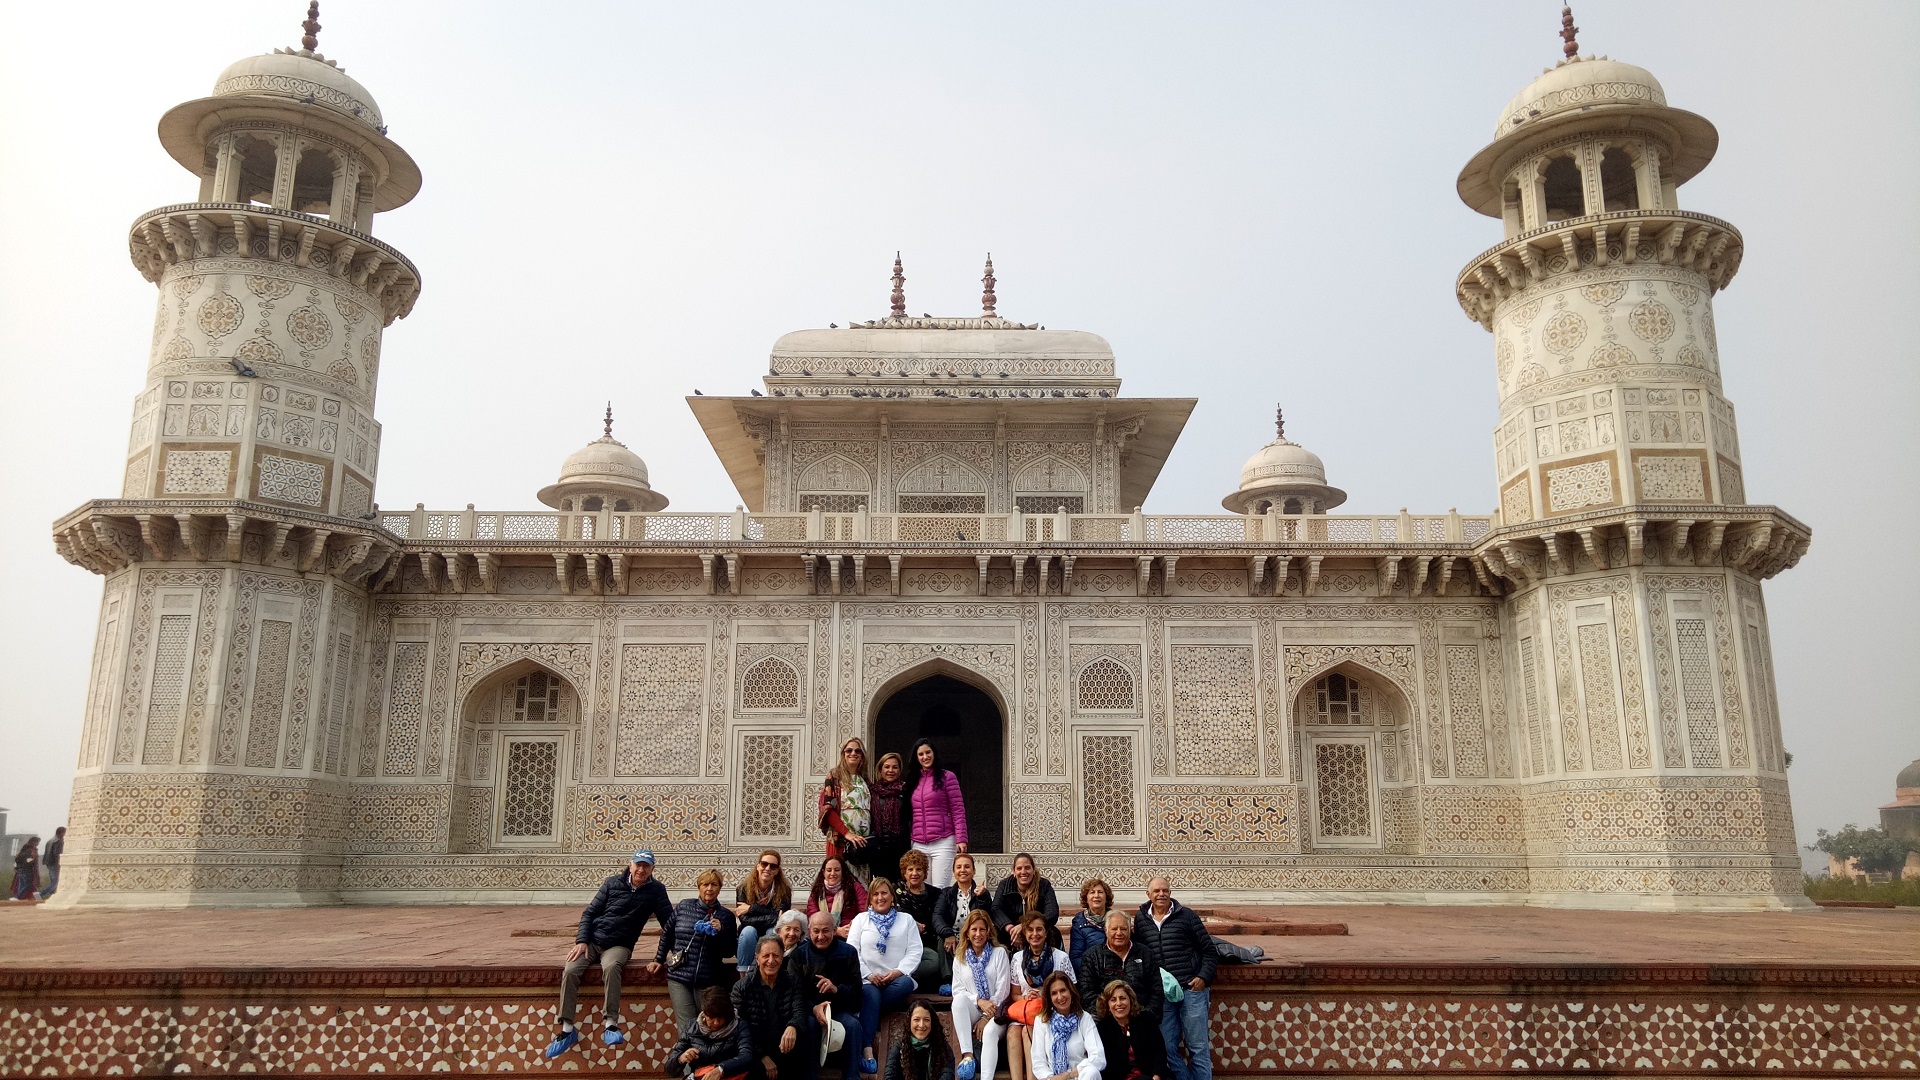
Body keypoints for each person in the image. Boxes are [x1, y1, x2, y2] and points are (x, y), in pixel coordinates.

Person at [546, 849, 675, 1058]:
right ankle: (567, 1028)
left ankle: (611, 1023)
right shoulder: (612, 883)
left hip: (620, 944)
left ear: (653, 869)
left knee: (612, 966)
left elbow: (669, 923)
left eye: (646, 866)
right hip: (593, 941)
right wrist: (581, 941)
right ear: (630, 865)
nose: (641, 869)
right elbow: (590, 913)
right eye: (638, 865)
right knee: (570, 970)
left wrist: (675, 952)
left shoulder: (656, 891)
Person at [1133, 879, 1214, 1080]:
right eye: (1157, 891)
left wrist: (1203, 977)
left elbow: (1209, 951)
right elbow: (1141, 952)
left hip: (1191, 990)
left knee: (1198, 1048)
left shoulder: (1186, 916)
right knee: (1166, 1047)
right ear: (1148, 894)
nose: (1161, 894)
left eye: (1165, 890)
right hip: (1164, 994)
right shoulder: (1141, 919)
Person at [847, 877, 921, 1074]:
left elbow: (915, 950)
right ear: (870, 898)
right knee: (871, 994)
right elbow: (852, 951)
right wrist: (869, 975)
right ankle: (867, 1050)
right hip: (867, 980)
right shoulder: (860, 920)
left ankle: (868, 1010)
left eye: (884, 893)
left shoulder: (906, 920)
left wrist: (897, 972)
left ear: (891, 896)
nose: (880, 897)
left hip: (895, 980)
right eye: (876, 894)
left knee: (905, 984)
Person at [786, 911, 867, 1080]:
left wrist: (837, 989)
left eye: (826, 931)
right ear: (809, 931)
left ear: (834, 930)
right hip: (810, 1012)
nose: (821, 936)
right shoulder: (798, 956)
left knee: (853, 1025)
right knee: (810, 1025)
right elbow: (794, 995)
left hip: (839, 1010)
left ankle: (852, 1076)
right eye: (816, 931)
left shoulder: (849, 952)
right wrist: (814, 1008)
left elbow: (857, 992)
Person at [663, 869, 741, 1034]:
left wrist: (720, 932)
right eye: (705, 884)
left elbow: (729, 951)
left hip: (708, 979)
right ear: (699, 887)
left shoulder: (726, 916)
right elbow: (667, 934)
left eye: (714, 884)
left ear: (719, 888)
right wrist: (658, 959)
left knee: (706, 1027)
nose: (709, 889)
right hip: (679, 976)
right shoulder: (684, 906)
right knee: (687, 1028)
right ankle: (687, 1059)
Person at [1005, 912, 1072, 1080]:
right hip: (1027, 1010)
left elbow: (1071, 992)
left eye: (1039, 929)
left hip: (1052, 1011)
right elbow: (1015, 994)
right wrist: (1026, 998)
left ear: (1046, 932)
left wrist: (1046, 998)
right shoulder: (1017, 958)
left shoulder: (1060, 958)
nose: (1035, 934)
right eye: (1030, 930)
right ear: (1025, 934)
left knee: (1028, 1032)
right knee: (1013, 1032)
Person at [734, 936, 809, 1080]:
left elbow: (799, 1010)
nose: (771, 961)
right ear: (757, 959)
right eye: (765, 956)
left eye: (776, 956)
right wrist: (762, 1056)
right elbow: (740, 1028)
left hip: (785, 1049)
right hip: (755, 1052)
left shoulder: (792, 981)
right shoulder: (742, 987)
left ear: (782, 957)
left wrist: (793, 1026)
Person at [949, 910, 1011, 1080]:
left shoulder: (999, 953)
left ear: (988, 932)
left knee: (990, 1031)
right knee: (959, 1001)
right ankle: (967, 1056)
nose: (978, 934)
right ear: (967, 933)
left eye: (982, 929)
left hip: (997, 1012)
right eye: (974, 930)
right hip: (975, 1008)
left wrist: (985, 1017)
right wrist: (978, 1001)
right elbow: (958, 990)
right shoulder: (960, 957)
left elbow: (1003, 990)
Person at [1075, 913, 1163, 1025]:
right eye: (1114, 929)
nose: (1119, 933)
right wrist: (1112, 1015)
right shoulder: (1092, 956)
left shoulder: (1146, 954)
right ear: (1106, 931)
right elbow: (1086, 993)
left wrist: (1143, 1016)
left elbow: (1156, 991)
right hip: (1105, 1020)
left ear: (1130, 930)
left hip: (1141, 1019)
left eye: (1123, 929)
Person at [906, 739, 967, 888]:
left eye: (928, 752)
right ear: (916, 757)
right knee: (920, 889)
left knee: (940, 888)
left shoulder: (947, 777)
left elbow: (958, 809)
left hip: (943, 841)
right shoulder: (913, 780)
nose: (925, 757)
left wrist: (962, 838)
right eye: (921, 754)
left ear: (934, 754)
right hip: (918, 842)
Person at [667, 986, 755, 1080]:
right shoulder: (691, 1027)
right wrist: (681, 1059)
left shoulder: (740, 1026)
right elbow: (669, 1070)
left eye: (720, 1017)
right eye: (712, 1017)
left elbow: (747, 1056)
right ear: (704, 1013)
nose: (716, 1022)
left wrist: (721, 1069)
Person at [1027, 972, 1104, 1080]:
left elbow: (1098, 1057)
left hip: (1078, 1076)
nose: (1060, 997)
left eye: (1063, 990)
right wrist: (1051, 1078)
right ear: (1049, 998)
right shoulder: (1042, 1021)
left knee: (1091, 1072)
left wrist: (1070, 1074)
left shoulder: (1084, 1018)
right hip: (1053, 1078)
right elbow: (1038, 1062)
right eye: (1054, 993)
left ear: (1071, 991)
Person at [735, 849, 794, 974]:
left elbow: (780, 919)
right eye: (764, 864)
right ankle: (744, 975)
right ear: (758, 866)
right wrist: (770, 916)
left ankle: (769, 973)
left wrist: (752, 908)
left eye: (773, 866)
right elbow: (744, 919)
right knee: (748, 931)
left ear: (777, 871)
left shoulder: (784, 891)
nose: (767, 868)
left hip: (771, 929)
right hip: (750, 931)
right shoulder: (743, 889)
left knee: (772, 932)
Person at [821, 739, 872, 879]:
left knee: (861, 886)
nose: (853, 753)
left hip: (862, 844)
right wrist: (847, 833)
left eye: (858, 751)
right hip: (842, 842)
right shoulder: (834, 778)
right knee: (840, 882)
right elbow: (828, 810)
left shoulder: (865, 780)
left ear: (862, 755)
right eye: (849, 750)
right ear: (843, 754)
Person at [892, 850, 945, 987]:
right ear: (904, 872)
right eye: (910, 869)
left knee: (934, 961)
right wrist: (912, 923)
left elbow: (937, 917)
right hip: (899, 943)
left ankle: (900, 978)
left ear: (925, 872)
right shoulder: (895, 890)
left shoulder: (935, 893)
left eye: (919, 869)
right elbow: (892, 913)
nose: (914, 873)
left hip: (924, 945)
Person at [1094, 981, 1167, 1080]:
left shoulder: (1146, 1020)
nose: (1119, 1003)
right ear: (1107, 1005)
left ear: (1131, 1000)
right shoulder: (1102, 1029)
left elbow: (1159, 1052)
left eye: (1123, 998)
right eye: (1113, 1000)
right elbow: (1106, 1068)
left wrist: (1156, 1076)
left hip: (1152, 1076)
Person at [933, 852, 996, 964]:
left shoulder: (982, 893)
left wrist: (982, 897)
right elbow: (937, 916)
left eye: (967, 867)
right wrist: (948, 934)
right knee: (941, 938)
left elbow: (987, 917)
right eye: (958, 867)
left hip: (973, 937)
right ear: (954, 872)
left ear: (974, 871)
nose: (963, 870)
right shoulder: (946, 893)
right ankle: (947, 979)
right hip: (953, 936)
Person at [993, 853, 1061, 951]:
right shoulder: (1004, 885)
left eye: (1027, 868)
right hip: (1011, 931)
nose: (1023, 872)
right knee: (996, 933)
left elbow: (1052, 912)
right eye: (1019, 868)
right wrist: (1010, 928)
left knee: (1053, 932)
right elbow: (996, 909)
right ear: (1014, 871)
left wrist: (1026, 926)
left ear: (1033, 870)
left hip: (1035, 930)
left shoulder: (1044, 885)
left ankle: (1050, 962)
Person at [867, 752, 912, 884]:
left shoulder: (906, 791)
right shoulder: (872, 791)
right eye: (887, 767)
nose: (890, 770)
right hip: (878, 852)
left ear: (899, 770)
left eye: (895, 767)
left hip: (901, 850)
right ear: (880, 769)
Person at [885, 1001, 954, 1080]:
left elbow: (948, 1075)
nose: (921, 1025)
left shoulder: (943, 1048)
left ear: (932, 1022)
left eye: (926, 1020)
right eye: (916, 1019)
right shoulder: (899, 1048)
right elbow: (889, 1077)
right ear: (909, 1022)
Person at [805, 855, 868, 934]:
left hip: (850, 933)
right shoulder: (817, 890)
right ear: (823, 872)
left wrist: (852, 927)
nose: (832, 873)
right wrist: (836, 930)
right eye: (829, 870)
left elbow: (864, 911)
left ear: (843, 872)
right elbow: (812, 916)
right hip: (823, 934)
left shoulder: (855, 887)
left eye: (837, 870)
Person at [1067, 880, 1114, 969]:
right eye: (1092, 892)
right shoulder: (1079, 922)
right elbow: (1075, 958)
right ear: (1086, 899)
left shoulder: (1117, 919)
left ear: (1106, 897)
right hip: (1091, 972)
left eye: (1100, 892)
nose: (1096, 896)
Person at [38, 827, 65, 900]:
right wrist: (59, 863)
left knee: (54, 880)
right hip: (54, 863)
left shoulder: (50, 841)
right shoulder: (58, 841)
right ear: (61, 833)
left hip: (49, 862)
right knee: (56, 881)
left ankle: (52, 896)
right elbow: (57, 854)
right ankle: (41, 894)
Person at [10, 837, 39, 901]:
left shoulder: (20, 855)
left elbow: (16, 864)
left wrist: (17, 869)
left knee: (21, 886)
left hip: (20, 872)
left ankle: (19, 897)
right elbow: (29, 863)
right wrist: (34, 858)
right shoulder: (27, 855)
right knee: (27, 885)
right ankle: (17, 897)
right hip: (27, 872)